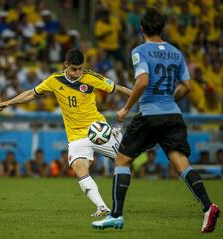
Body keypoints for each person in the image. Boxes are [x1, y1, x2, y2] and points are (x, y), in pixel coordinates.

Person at [92, 8, 220, 233]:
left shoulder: (140, 51)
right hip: (173, 114)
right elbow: (188, 87)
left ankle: (116, 215)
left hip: (150, 114)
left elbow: (142, 82)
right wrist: (170, 101)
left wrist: (125, 109)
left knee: (122, 160)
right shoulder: (176, 52)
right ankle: (208, 207)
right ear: (163, 28)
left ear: (141, 28)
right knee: (181, 164)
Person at [0, 48, 131, 217]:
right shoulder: (54, 80)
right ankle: (101, 207)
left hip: (97, 130)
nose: (78, 73)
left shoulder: (91, 78)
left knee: (125, 162)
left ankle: (118, 137)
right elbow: (32, 93)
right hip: (76, 136)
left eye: (80, 68)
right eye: (74, 69)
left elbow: (117, 88)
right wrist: (9, 102)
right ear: (65, 65)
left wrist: (137, 95)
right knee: (78, 167)